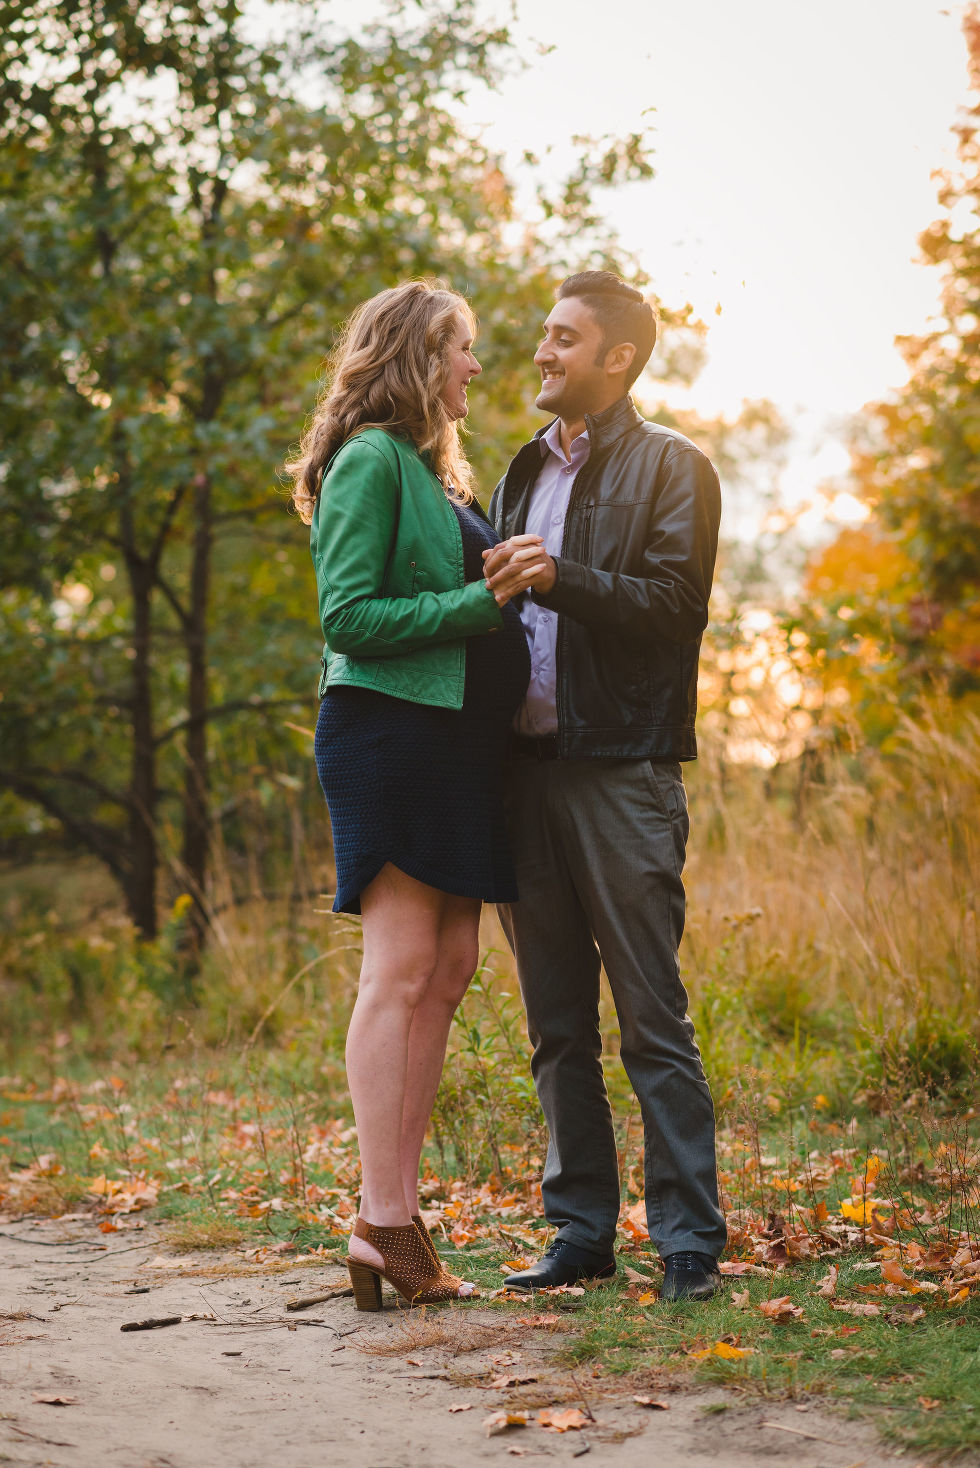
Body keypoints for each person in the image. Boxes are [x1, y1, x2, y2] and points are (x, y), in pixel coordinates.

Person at [287, 281, 538, 1310]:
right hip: (391, 734)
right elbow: (348, 614)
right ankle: (383, 1216)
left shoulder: (434, 471)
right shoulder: (370, 460)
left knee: (447, 967)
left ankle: (391, 1213)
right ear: (411, 355)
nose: (474, 366)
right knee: (398, 969)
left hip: (457, 750)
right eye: (460, 349)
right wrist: (483, 598)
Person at [483, 270, 727, 1302]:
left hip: (622, 775)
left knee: (649, 1018)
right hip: (521, 780)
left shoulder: (676, 467)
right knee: (553, 1027)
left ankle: (686, 1242)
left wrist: (557, 575)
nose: (541, 351)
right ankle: (579, 1228)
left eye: (562, 337)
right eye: (544, 335)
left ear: (615, 357)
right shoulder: (516, 467)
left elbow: (673, 607)